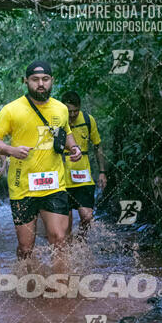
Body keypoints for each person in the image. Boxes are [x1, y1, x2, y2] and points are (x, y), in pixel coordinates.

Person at [0, 60, 82, 262]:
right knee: (26, 247)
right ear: (26, 81)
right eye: (35, 79)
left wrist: (73, 147)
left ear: (52, 81)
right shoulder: (11, 110)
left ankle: (60, 286)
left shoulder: (60, 109)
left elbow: (65, 133)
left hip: (54, 184)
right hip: (23, 187)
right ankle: (26, 281)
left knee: (59, 238)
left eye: (45, 79)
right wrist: (10, 150)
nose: (41, 84)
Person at [61, 91, 107, 238]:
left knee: (87, 217)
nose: (73, 114)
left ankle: (81, 242)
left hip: (83, 177)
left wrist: (102, 171)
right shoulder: (57, 122)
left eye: (76, 110)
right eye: (69, 111)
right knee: (65, 226)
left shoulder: (88, 120)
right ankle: (69, 252)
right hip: (62, 179)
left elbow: (97, 145)